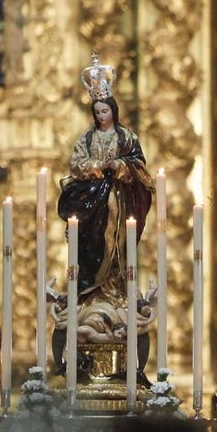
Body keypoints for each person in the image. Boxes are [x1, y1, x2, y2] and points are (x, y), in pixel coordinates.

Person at [57, 54, 155, 302]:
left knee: (116, 234)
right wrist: (95, 166)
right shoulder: (88, 138)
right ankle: (94, 285)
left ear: (113, 110)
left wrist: (120, 165)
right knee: (93, 238)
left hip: (120, 195)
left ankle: (114, 281)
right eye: (98, 112)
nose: (102, 116)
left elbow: (138, 164)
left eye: (105, 111)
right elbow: (76, 163)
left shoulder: (126, 137)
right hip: (92, 194)